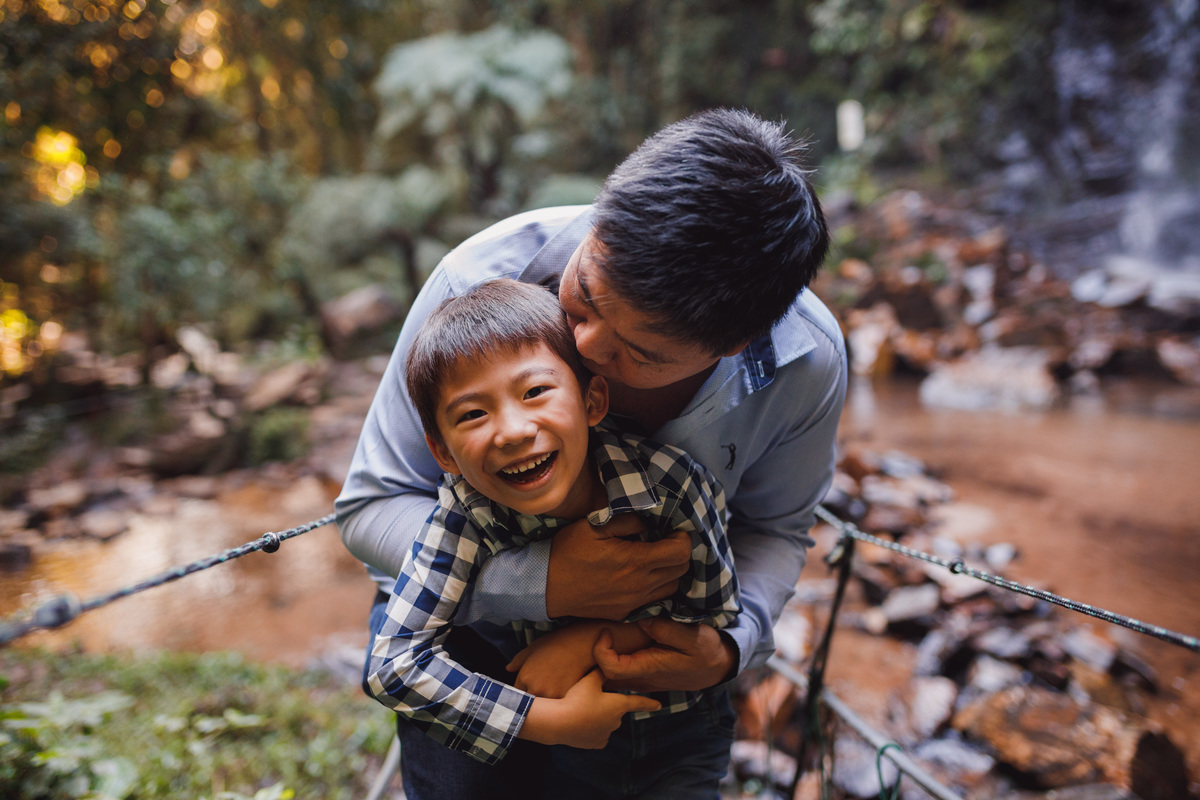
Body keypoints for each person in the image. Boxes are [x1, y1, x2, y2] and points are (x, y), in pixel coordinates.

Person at [337, 107, 847, 798]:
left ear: (732, 345)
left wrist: (728, 647)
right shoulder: (475, 287)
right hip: (466, 637)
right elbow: (373, 504)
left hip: (658, 669)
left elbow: (774, 528)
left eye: (637, 352)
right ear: (603, 216)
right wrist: (543, 583)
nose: (580, 352)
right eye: (582, 301)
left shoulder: (803, 364)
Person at [365, 278, 741, 784]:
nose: (514, 430)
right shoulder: (467, 517)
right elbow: (392, 664)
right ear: (444, 453)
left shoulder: (672, 487)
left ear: (592, 401)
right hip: (571, 745)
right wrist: (541, 722)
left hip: (687, 727)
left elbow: (715, 621)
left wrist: (591, 640)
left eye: (535, 391)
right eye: (473, 414)